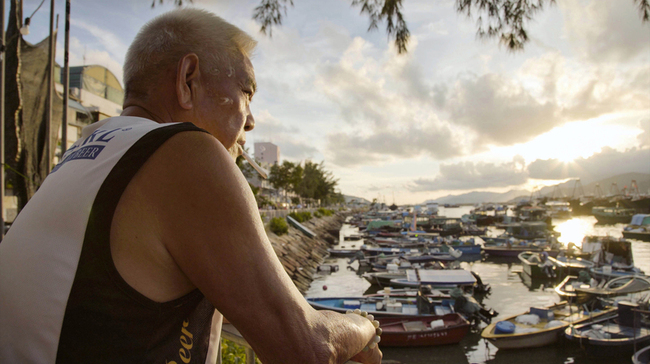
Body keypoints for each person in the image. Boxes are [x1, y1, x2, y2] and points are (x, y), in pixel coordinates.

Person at [0, 9, 381, 364]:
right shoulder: (185, 150)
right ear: (188, 80)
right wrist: (364, 327)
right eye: (247, 92)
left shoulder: (85, 154)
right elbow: (307, 347)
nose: (251, 122)